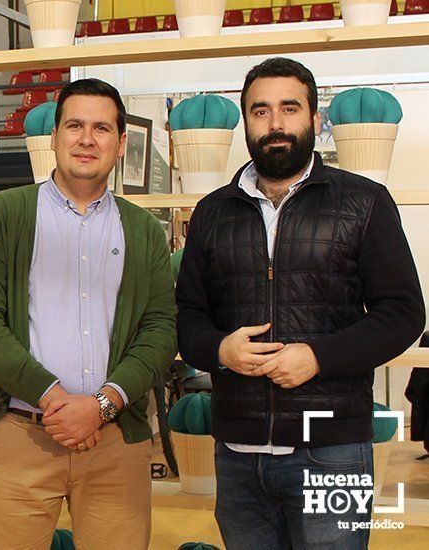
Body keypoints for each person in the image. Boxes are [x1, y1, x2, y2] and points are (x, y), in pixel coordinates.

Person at [176, 57, 426, 549]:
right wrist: (220, 351)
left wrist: (318, 357)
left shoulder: (364, 202)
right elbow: (188, 318)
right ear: (245, 122)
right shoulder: (211, 213)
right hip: (237, 451)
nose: (275, 124)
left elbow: (403, 313)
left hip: (332, 449)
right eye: (260, 111)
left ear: (314, 119)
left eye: (289, 109)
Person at [0, 78, 177, 549]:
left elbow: (160, 330)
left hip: (116, 442)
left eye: (102, 128)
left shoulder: (142, 230)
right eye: (74, 125)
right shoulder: (4, 214)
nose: (87, 138)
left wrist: (101, 405)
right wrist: (54, 399)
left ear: (120, 144)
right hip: (20, 437)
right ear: (54, 138)